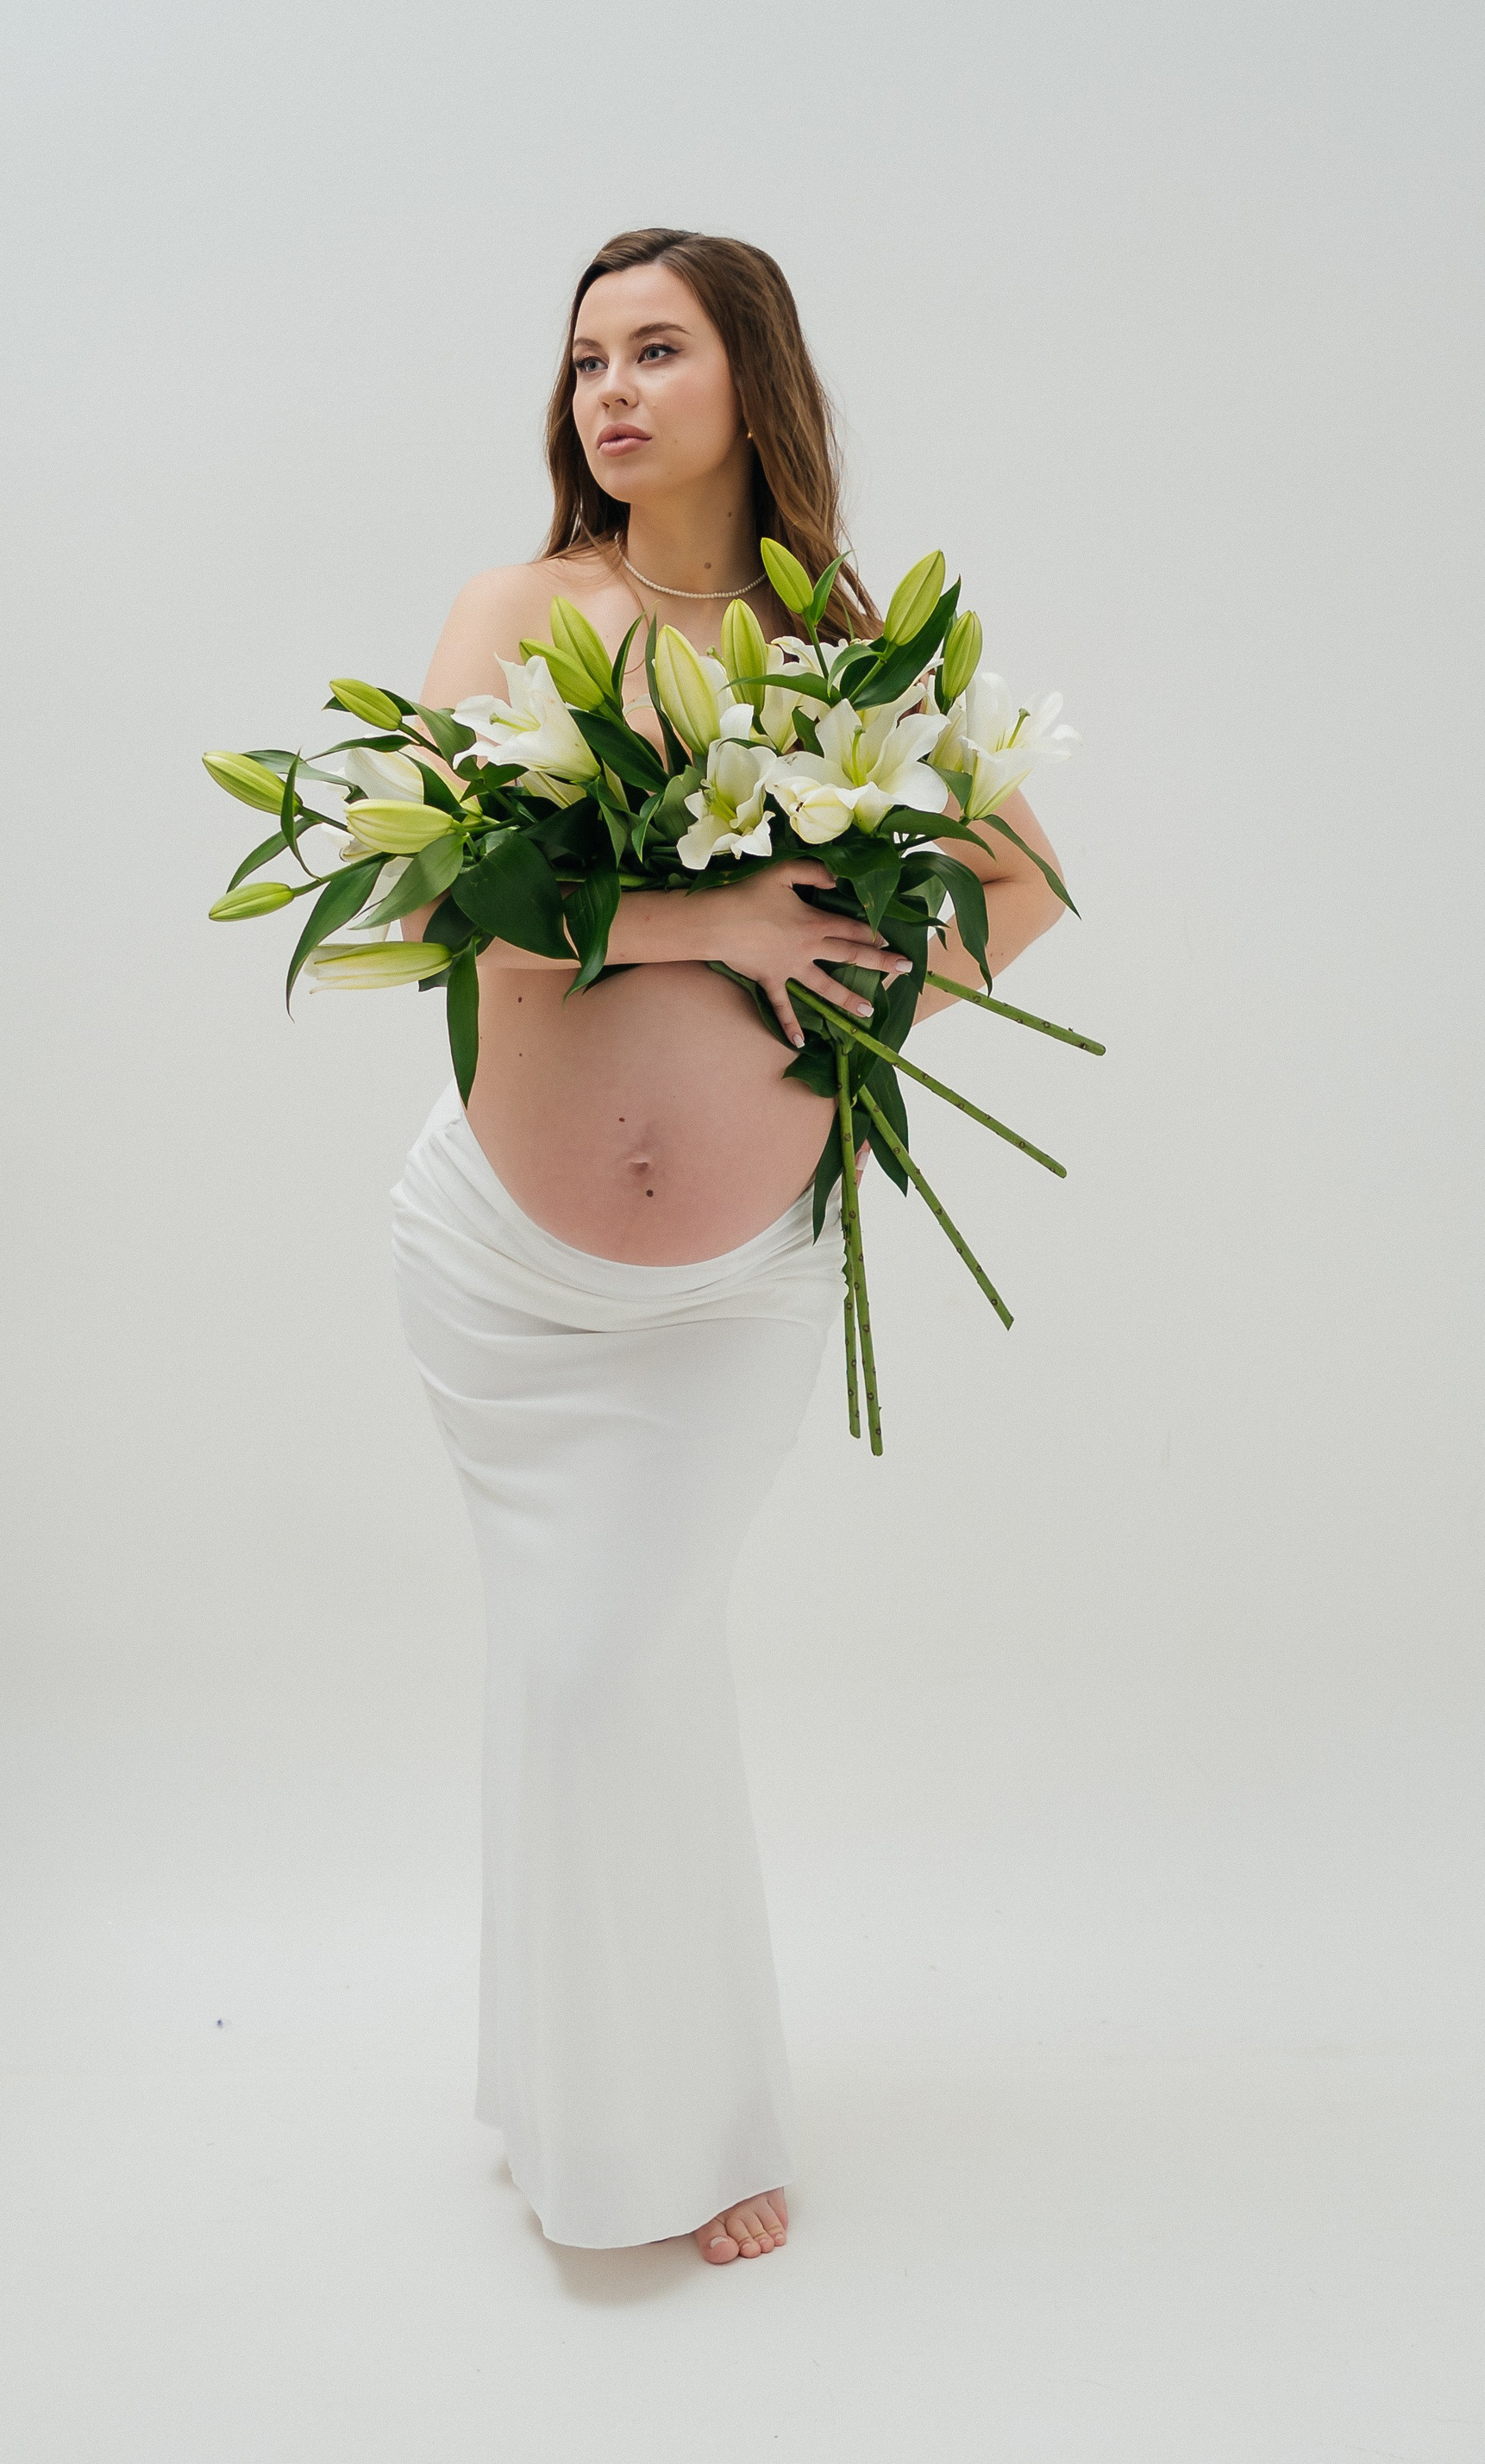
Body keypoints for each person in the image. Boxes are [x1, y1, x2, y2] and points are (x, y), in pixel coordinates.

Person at [390, 227, 1068, 2263]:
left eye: (656, 350)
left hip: (736, 1285)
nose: (608, 389)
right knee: (579, 1667)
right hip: (505, 1274)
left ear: (749, 378)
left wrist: (848, 1013)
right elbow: (434, 909)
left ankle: (666, 2113)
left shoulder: (841, 647)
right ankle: (583, 2101)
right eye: (586, 357)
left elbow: (1024, 882)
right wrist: (726, 926)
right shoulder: (523, 611)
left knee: (612, 1658)